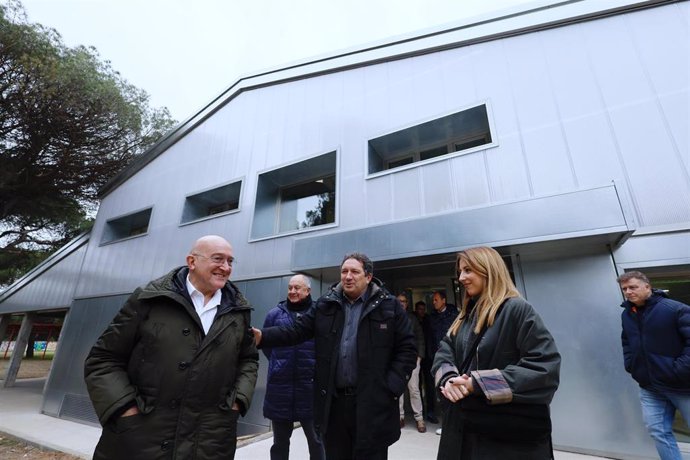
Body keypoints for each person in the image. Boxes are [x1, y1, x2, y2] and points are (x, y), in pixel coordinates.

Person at [84, 235, 259, 460]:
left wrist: (237, 402)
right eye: (218, 259)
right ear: (192, 261)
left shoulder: (238, 310)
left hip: (210, 440)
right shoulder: (149, 299)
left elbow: (249, 360)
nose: (225, 267)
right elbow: (103, 359)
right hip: (141, 439)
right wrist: (124, 410)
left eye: (230, 261)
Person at [253, 252, 417, 460]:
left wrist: (390, 388)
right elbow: (296, 330)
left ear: (368, 276)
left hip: (372, 404)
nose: (348, 276)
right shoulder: (325, 305)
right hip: (335, 405)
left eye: (354, 272)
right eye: (344, 271)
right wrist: (263, 337)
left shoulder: (389, 306)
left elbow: (408, 349)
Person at [433, 246, 561, 459]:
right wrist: (449, 379)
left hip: (504, 438)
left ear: (489, 269)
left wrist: (477, 384)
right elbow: (444, 351)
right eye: (460, 272)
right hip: (462, 431)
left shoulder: (517, 309)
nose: (461, 278)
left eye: (468, 270)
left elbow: (545, 370)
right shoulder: (464, 316)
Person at [618, 271, 690, 460]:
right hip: (649, 387)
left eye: (633, 287)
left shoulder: (674, 309)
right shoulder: (627, 314)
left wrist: (678, 370)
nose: (628, 292)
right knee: (658, 432)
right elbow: (627, 342)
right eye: (625, 288)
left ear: (647, 286)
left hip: (682, 386)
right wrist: (631, 365)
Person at [262, 274, 325, 460]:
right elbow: (267, 344)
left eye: (297, 288)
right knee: (280, 443)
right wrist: (279, 363)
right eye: (290, 287)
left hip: (310, 389)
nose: (292, 291)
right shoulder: (274, 315)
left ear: (308, 291)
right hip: (280, 389)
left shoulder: (319, 314)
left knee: (316, 441)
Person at [426, 290, 458, 432]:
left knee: (450, 387)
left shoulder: (454, 316)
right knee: (438, 388)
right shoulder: (430, 318)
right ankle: (439, 418)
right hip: (435, 358)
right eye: (433, 300)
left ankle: (450, 422)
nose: (434, 302)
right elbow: (428, 338)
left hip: (452, 358)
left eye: (436, 300)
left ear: (444, 300)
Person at [397, 293, 426, 433]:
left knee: (414, 389)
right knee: (398, 390)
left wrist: (419, 356)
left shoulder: (412, 319)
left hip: (413, 360)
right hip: (397, 362)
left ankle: (419, 419)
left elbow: (420, 338)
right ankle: (400, 417)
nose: (401, 303)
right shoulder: (391, 317)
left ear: (407, 303)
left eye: (403, 301)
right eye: (399, 301)